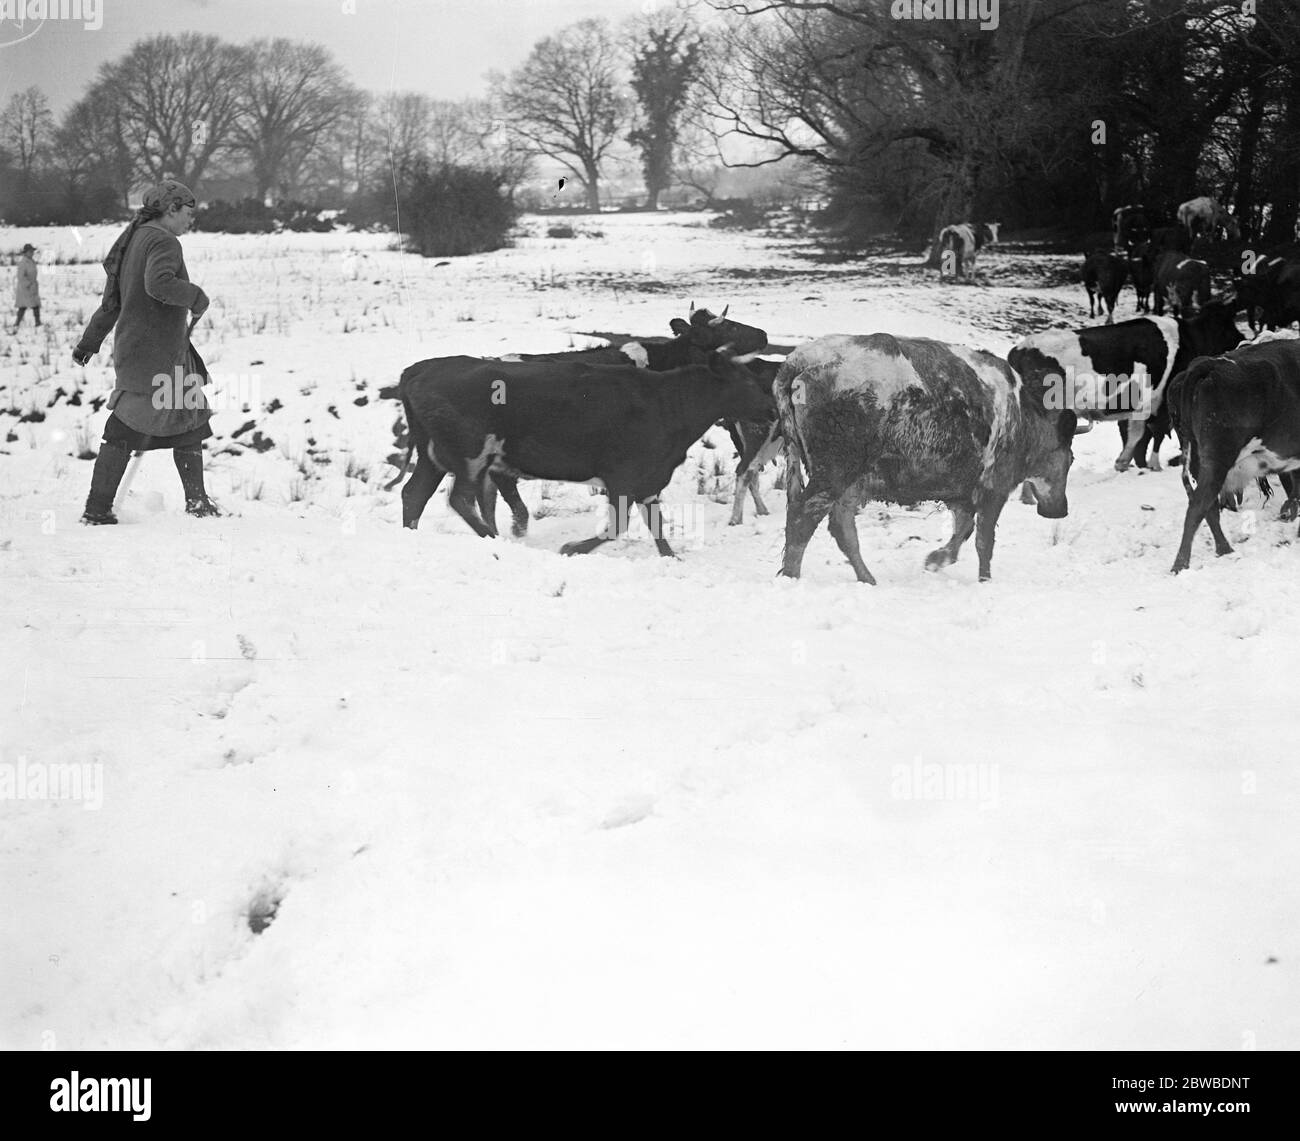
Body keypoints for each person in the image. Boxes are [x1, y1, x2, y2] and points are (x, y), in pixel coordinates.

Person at [72, 179, 220, 524]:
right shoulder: (164, 241)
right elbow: (160, 284)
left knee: (189, 422)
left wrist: (88, 343)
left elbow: (111, 304)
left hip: (144, 350)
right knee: (125, 427)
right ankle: (96, 510)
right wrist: (197, 297)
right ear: (171, 209)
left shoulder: (132, 239)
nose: (190, 220)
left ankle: (197, 503)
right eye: (187, 213)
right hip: (158, 356)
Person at [14, 243, 40, 328]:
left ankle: (38, 322)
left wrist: (33, 284)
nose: (32, 253)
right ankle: (17, 323)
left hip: (32, 287)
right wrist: (29, 284)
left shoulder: (31, 261)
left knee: (35, 305)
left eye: (32, 251)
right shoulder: (23, 263)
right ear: (25, 252)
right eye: (30, 251)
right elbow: (20, 277)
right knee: (23, 306)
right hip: (25, 289)